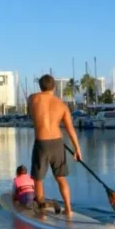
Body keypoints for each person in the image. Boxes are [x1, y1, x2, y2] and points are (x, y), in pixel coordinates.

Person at [27, 74, 83, 219]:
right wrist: (77, 149)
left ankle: (42, 212)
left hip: (41, 142)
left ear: (40, 86)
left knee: (38, 179)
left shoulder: (33, 98)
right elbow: (70, 129)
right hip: (58, 142)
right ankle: (68, 210)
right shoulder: (62, 105)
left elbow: (31, 115)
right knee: (61, 178)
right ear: (55, 87)